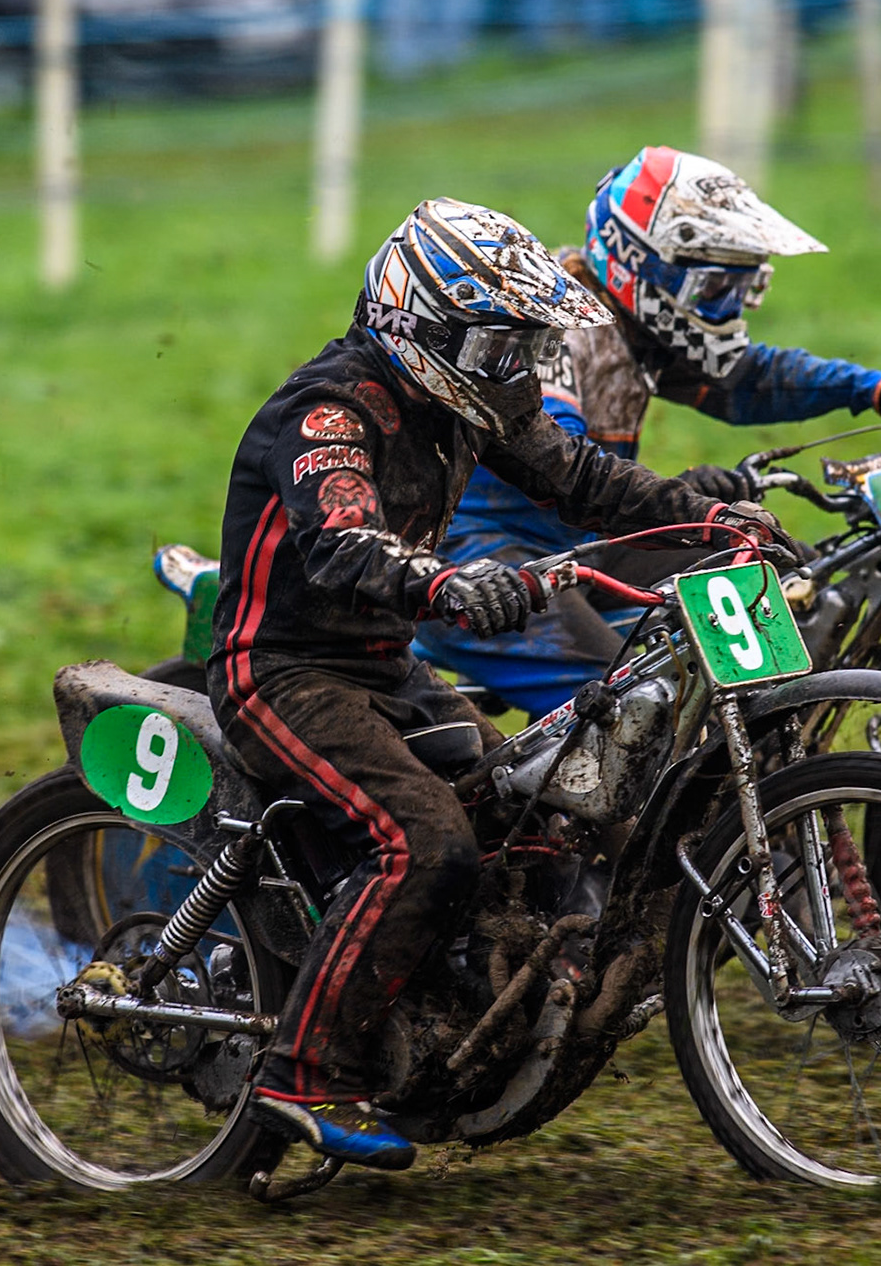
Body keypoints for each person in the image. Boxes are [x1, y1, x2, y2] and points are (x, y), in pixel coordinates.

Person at [205, 197, 781, 1172]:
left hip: (386, 667)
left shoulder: (470, 405)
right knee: (424, 840)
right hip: (284, 670)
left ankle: (443, 1011)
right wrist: (446, 579)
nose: (517, 365)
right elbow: (344, 537)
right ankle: (298, 1074)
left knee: (525, 799)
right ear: (426, 327)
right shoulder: (329, 414)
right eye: (499, 342)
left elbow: (586, 481)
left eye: (523, 343)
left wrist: (701, 515)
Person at [414, 145, 881, 718]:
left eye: (737, 291)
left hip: (582, 548)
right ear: (637, 264)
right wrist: (682, 497)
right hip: (486, 566)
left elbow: (746, 378)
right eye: (711, 292)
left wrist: (877, 389)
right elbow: (561, 465)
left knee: (785, 573)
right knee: (634, 711)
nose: (726, 309)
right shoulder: (557, 334)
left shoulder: (638, 331)